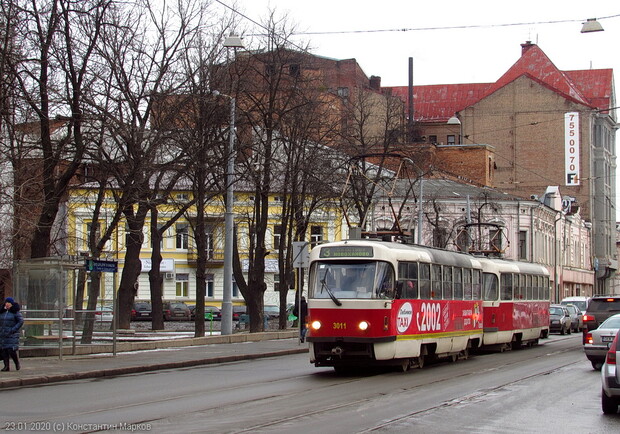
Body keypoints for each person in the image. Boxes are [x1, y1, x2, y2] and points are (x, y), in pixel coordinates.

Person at [0, 297, 24, 371]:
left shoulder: (15, 312)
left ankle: (16, 363)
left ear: (12, 304)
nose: (7, 304)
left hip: (12, 334)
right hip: (3, 334)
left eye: (9, 303)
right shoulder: (2, 312)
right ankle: (6, 366)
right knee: (4, 350)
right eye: (6, 302)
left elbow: (21, 321)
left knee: (11, 350)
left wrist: (13, 329)